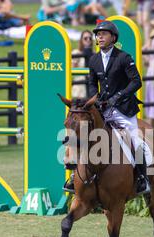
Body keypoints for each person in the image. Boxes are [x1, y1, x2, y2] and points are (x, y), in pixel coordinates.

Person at [64, 21, 149, 195]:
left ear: (113, 37)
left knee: (135, 140)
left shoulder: (124, 57)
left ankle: (142, 179)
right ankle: (74, 176)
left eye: (104, 34)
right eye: (98, 34)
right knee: (83, 134)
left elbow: (136, 81)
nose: (100, 37)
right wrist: (97, 98)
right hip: (103, 108)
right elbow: (92, 84)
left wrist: (118, 96)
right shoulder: (94, 60)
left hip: (124, 108)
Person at [72, 30, 93, 99]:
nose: (88, 40)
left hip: (91, 87)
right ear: (81, 40)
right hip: (80, 88)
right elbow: (71, 68)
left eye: (90, 38)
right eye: (85, 38)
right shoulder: (76, 53)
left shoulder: (94, 53)